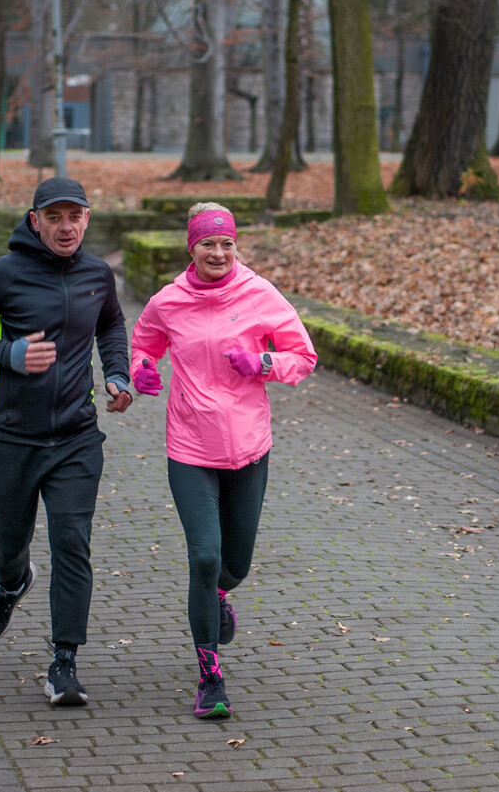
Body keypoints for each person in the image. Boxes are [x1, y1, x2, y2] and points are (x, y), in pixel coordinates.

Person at [0, 176, 133, 708]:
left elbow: (111, 328)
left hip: (76, 437)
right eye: (55, 217)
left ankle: (64, 662)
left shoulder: (98, 275)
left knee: (73, 543)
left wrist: (117, 374)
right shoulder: (5, 274)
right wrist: (9, 354)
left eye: (76, 216)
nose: (66, 227)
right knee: (8, 543)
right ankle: (11, 583)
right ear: (35, 221)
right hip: (10, 437)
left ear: (87, 219)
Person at [129, 202, 317, 719]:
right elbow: (143, 344)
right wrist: (141, 370)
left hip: (248, 446)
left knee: (233, 566)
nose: (217, 252)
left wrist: (261, 362)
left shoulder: (260, 294)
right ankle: (210, 678)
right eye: (207, 244)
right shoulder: (169, 301)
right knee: (205, 556)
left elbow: (303, 356)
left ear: (236, 246)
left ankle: (218, 596)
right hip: (190, 447)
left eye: (226, 244)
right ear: (191, 247)